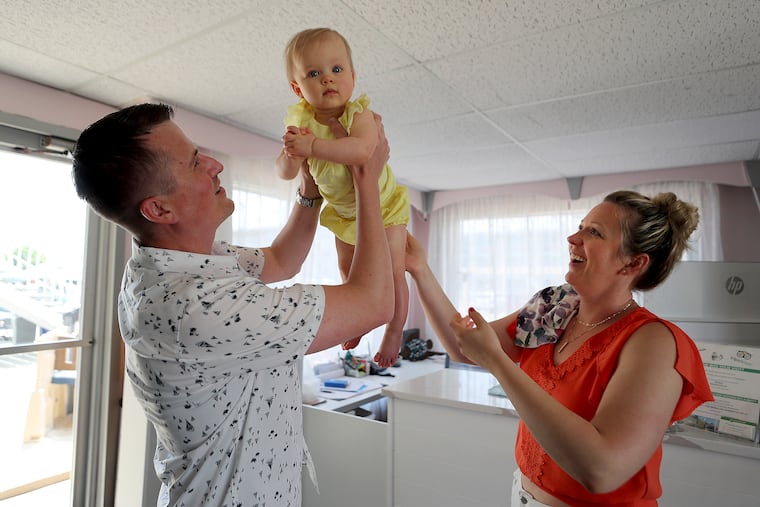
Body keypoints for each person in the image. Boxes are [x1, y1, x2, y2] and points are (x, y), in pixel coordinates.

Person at [71, 102, 394, 506]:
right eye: (193, 163)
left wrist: (310, 192)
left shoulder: (182, 266)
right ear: (159, 209)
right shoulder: (196, 306)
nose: (214, 165)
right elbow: (374, 302)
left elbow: (281, 260)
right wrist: (367, 178)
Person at [405, 190, 714, 507]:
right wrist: (420, 269)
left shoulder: (654, 342)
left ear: (633, 263)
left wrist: (499, 363)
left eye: (593, 232)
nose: (572, 237)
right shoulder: (555, 307)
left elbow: (601, 470)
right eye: (580, 226)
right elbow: (465, 348)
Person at [276, 27, 410, 368]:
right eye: (313, 73)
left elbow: (363, 150)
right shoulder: (301, 122)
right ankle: (360, 319)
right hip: (344, 212)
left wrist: (314, 147)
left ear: (352, 76)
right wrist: (292, 154)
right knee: (349, 273)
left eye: (336, 70)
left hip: (384, 208)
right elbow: (286, 173)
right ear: (298, 88)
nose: (327, 80)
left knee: (392, 272)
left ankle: (394, 330)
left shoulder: (359, 114)